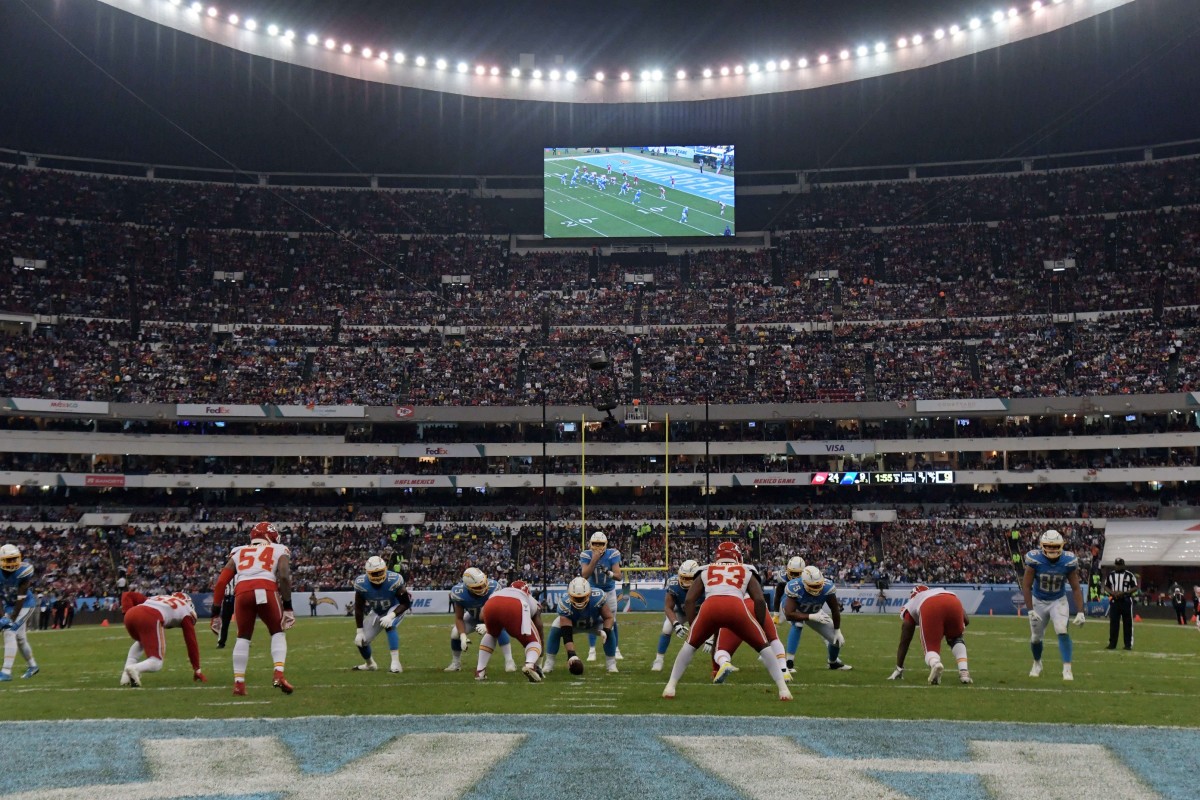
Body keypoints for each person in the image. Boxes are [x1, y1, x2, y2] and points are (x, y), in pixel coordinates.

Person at [662, 540, 792, 701]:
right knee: (764, 647)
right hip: (736, 608)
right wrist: (759, 623)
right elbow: (759, 600)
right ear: (737, 556)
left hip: (710, 607)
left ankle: (670, 686)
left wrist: (694, 623)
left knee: (688, 647)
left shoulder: (705, 569)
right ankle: (783, 689)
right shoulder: (746, 569)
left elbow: (689, 600)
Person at [210, 521, 296, 696]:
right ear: (270, 536)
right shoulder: (279, 549)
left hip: (242, 592)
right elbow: (285, 576)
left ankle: (239, 684)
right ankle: (278, 674)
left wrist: (215, 613)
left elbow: (220, 583)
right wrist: (288, 607)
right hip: (266, 588)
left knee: (243, 637)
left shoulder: (239, 551)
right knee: (277, 632)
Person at [1021, 529, 1086, 681]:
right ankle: (1037, 663)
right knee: (1036, 637)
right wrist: (1030, 610)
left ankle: (1067, 669)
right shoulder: (1034, 560)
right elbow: (1026, 586)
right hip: (1039, 600)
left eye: (1055, 546)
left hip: (1058, 600)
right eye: (1048, 546)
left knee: (1062, 630)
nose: (1052, 549)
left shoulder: (1068, 561)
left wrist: (1081, 612)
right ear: (1042, 546)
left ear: (1061, 545)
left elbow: (1076, 587)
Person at [886, 585, 972, 685]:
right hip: (953, 601)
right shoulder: (940, 591)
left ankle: (936, 664)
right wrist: (955, 631)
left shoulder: (913, 601)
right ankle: (964, 672)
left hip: (930, 605)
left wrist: (899, 667)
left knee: (931, 646)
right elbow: (967, 620)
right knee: (956, 638)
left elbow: (905, 639)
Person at [119, 590, 206, 687]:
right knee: (156, 662)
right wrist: (197, 669)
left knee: (141, 642)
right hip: (151, 616)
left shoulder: (158, 598)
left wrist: (127, 611)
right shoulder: (186, 609)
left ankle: (125, 677)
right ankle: (134, 668)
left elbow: (127, 594)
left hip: (130, 614)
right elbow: (191, 642)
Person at [444, 567, 517, 673]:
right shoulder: (459, 593)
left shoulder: (494, 587)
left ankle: (509, 661)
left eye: (483, 583)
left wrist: (488, 626)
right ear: (468, 587)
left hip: (493, 617)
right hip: (473, 617)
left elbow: (499, 614)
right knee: (455, 633)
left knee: (499, 630)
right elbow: (459, 618)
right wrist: (463, 636)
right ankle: (456, 663)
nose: (483, 587)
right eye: (478, 586)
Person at [782, 565, 853, 671]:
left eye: (818, 585)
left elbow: (835, 610)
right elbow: (789, 614)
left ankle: (833, 663)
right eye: (813, 586)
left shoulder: (827, 587)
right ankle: (789, 663)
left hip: (815, 611)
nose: (817, 588)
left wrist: (837, 630)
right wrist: (811, 617)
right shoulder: (795, 587)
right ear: (804, 582)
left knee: (836, 640)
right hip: (796, 610)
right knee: (798, 624)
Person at [351, 556, 413, 673]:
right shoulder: (361, 583)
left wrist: (392, 615)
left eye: (380, 572)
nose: (378, 576)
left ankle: (396, 663)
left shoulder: (394, 579)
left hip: (395, 608)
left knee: (388, 624)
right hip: (377, 611)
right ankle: (370, 664)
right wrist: (359, 630)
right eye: (374, 573)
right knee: (361, 641)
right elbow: (359, 607)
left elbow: (405, 603)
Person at [475, 580, 545, 683]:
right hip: (516, 605)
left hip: (491, 603)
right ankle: (530, 665)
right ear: (527, 591)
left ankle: (480, 671)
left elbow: (481, 615)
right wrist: (538, 641)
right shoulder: (530, 599)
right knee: (534, 641)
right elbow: (539, 626)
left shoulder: (498, 592)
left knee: (491, 634)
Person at [543, 576, 616, 674]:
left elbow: (609, 617)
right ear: (569, 595)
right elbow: (567, 634)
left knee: (610, 630)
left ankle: (611, 664)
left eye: (582, 597)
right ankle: (549, 663)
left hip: (593, 623)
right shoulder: (565, 603)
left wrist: (606, 631)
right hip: (573, 624)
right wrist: (571, 654)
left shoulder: (597, 597)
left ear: (589, 593)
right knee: (555, 628)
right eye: (576, 598)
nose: (579, 601)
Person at [580, 531, 624, 661]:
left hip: (609, 592)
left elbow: (618, 576)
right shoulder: (586, 555)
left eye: (600, 544)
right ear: (590, 544)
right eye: (595, 543)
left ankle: (615, 649)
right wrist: (594, 559)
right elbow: (585, 575)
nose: (598, 546)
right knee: (592, 621)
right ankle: (592, 650)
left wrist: (608, 573)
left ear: (605, 544)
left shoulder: (613, 554)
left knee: (612, 621)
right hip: (593, 591)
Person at [652, 560, 700, 672]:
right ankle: (659, 660)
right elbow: (668, 607)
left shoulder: (704, 583)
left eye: (689, 578)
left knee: (715, 633)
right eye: (683, 577)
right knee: (667, 628)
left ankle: (721, 661)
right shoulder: (674, 583)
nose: (685, 581)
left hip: (699, 613)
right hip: (682, 612)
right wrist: (676, 623)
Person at [0, 544, 39, 680]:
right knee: (20, 639)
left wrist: (10, 620)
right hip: (9, 605)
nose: (12, 563)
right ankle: (33, 666)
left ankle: (6, 672)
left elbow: (21, 598)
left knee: (9, 631)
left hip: (26, 605)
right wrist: (2, 617)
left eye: (14, 559)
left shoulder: (24, 571)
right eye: (8, 560)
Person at [774, 556, 807, 672]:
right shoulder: (783, 578)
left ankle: (788, 661)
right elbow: (778, 595)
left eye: (796, 573)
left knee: (826, 624)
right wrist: (776, 614)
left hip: (803, 605)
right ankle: (787, 661)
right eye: (791, 572)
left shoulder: (808, 577)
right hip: (786, 603)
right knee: (797, 624)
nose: (793, 576)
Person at [1105, 557, 1138, 650]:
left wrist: (1125, 593)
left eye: (1119, 565)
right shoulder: (1111, 575)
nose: (1118, 567)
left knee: (1127, 623)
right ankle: (1112, 644)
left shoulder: (1129, 575)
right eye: (1116, 565)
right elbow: (1106, 586)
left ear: (1123, 565)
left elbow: (1135, 587)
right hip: (1115, 601)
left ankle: (1128, 644)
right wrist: (1112, 593)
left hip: (1126, 600)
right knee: (1114, 623)